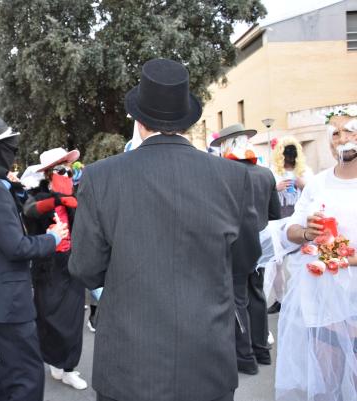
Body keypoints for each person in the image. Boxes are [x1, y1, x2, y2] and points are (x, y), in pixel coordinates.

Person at [68, 58, 261, 401]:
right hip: (207, 359)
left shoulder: (101, 177)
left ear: (140, 122)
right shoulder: (233, 178)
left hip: (129, 363)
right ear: (187, 120)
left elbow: (85, 268)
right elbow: (245, 261)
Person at [0, 116, 68, 401]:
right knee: (27, 375)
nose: (13, 156)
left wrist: (16, 188)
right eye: (9, 150)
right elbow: (17, 247)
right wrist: (53, 238)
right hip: (5, 298)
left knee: (11, 371)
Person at [274, 108, 357, 401]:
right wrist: (307, 232)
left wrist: (349, 257)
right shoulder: (318, 184)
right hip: (323, 304)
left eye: (350, 130)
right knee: (328, 384)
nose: (342, 138)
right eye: (335, 133)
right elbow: (290, 231)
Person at [211, 124, 282, 374]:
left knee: (238, 299)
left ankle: (245, 357)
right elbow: (275, 213)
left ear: (227, 145)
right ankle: (261, 350)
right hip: (261, 243)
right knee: (257, 295)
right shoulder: (265, 173)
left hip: (236, 245)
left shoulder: (224, 174)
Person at [22, 147, 88, 390]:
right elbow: (29, 211)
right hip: (46, 268)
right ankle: (55, 359)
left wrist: (73, 202)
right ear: (49, 174)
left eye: (68, 169)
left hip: (71, 265)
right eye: (61, 169)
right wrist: (57, 200)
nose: (67, 173)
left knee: (72, 318)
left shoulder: (77, 194)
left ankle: (69, 366)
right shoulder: (37, 197)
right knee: (48, 318)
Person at [268, 137, 313, 314]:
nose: (289, 156)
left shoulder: (305, 172)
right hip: (277, 223)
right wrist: (275, 188)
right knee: (276, 264)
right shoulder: (272, 172)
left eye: (293, 152)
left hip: (299, 224)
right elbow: (264, 192)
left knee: (302, 262)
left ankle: (301, 300)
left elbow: (315, 195)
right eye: (286, 152)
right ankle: (280, 300)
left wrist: (304, 185)